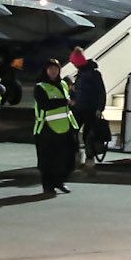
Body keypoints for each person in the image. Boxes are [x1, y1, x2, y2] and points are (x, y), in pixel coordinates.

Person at [32, 59, 76, 194]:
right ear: (45, 70)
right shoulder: (40, 87)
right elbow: (45, 104)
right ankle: (48, 185)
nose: (53, 71)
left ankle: (60, 181)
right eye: (50, 68)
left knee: (66, 157)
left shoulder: (63, 84)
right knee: (47, 159)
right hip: (47, 128)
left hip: (66, 126)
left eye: (56, 68)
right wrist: (65, 102)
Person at [68, 47, 107, 172]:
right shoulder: (92, 73)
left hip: (82, 108)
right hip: (88, 108)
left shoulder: (84, 74)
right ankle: (89, 160)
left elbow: (100, 92)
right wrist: (100, 108)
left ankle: (78, 157)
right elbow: (101, 92)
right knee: (88, 135)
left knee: (75, 133)